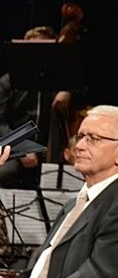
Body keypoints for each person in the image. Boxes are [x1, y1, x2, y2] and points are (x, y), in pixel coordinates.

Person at [0, 104, 118, 278]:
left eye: (93, 138)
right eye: (80, 136)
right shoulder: (74, 204)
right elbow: (33, 272)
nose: (79, 146)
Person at [0, 25, 72, 189]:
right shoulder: (8, 82)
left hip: (53, 153)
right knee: (3, 173)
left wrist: (68, 91)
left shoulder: (61, 80)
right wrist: (20, 146)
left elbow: (89, 89)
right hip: (16, 151)